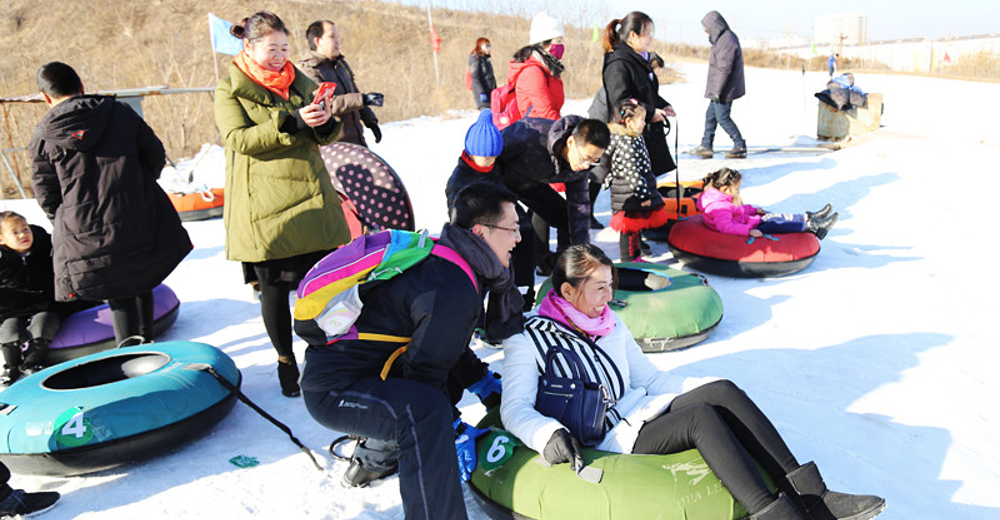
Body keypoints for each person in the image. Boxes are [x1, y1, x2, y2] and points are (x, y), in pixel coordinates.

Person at [501, 244, 886, 520]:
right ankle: (772, 514)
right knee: (701, 417)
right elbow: (515, 408)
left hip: (639, 408)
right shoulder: (529, 337)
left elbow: (648, 378)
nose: (610, 294)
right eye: (599, 287)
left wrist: (705, 384)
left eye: (610, 283)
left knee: (722, 392)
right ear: (567, 290)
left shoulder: (609, 322)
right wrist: (548, 434)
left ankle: (813, 497)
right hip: (609, 434)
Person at [301, 182, 524, 520]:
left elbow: (439, 344)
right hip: (336, 389)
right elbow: (423, 374)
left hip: (368, 375)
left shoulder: (449, 257)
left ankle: (376, 459)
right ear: (481, 231)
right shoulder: (453, 286)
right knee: (427, 414)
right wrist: (454, 429)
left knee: (428, 402)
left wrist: (480, 381)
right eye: (513, 228)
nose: (519, 238)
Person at [215, 12, 352, 397]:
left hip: (310, 195)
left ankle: (328, 356)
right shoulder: (230, 88)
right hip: (266, 205)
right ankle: (285, 360)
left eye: (284, 48)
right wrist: (291, 122)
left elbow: (322, 132)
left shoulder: (297, 79)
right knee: (274, 290)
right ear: (249, 46)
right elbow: (238, 139)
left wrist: (324, 120)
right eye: (271, 48)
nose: (279, 56)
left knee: (326, 284)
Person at [29, 62, 191, 347]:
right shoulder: (119, 113)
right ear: (81, 87)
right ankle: (145, 346)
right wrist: (137, 189)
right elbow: (154, 154)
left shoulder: (44, 136)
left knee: (118, 293)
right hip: (135, 213)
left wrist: (68, 219)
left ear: (45, 97)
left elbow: (46, 192)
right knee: (140, 278)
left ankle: (130, 355)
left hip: (86, 229)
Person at [495, 116, 610, 273]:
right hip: (498, 181)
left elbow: (579, 211)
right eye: (585, 158)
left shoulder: (581, 169)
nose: (586, 165)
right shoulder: (531, 134)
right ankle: (513, 282)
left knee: (566, 219)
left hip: (530, 184)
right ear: (570, 142)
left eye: (594, 161)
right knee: (521, 228)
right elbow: (490, 157)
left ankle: (561, 268)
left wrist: (582, 254)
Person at [445, 110, 535, 310]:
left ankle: (524, 299)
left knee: (526, 234)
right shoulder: (459, 180)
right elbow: (457, 216)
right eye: (484, 157)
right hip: (478, 233)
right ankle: (476, 315)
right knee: (483, 268)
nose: (488, 161)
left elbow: (504, 195)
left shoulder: (494, 169)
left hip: (500, 224)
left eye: (493, 157)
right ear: (470, 151)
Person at [601, 12, 676, 176]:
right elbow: (620, 101)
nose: (650, 38)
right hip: (628, 134)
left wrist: (662, 105)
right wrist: (650, 113)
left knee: (648, 181)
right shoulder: (618, 63)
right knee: (634, 183)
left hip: (644, 129)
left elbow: (645, 91)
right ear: (633, 35)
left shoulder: (638, 59)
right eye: (647, 33)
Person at [299, 20, 384, 147]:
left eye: (338, 37)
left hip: (357, 139)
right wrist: (364, 99)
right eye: (332, 37)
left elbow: (355, 94)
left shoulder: (340, 65)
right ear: (318, 41)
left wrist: (370, 120)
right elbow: (326, 104)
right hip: (334, 145)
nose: (337, 41)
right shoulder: (309, 70)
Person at [603, 100, 669, 262]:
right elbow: (632, 172)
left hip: (631, 190)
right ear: (629, 122)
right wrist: (643, 195)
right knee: (628, 229)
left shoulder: (633, 137)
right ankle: (628, 260)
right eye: (642, 120)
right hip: (629, 192)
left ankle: (635, 256)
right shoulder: (626, 142)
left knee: (635, 227)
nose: (644, 123)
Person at [0, 211, 59, 385]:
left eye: (25, 229)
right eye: (15, 232)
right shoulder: (3, 261)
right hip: (13, 307)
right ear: (2, 239)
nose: (23, 235)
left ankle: (32, 362)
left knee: (44, 323)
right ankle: (11, 365)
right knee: (10, 329)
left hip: (44, 303)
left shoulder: (46, 248)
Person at [699, 168, 838, 240]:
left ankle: (808, 218)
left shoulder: (722, 199)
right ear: (725, 189)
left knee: (772, 216)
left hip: (748, 221)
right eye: (737, 188)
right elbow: (726, 227)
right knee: (774, 224)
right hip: (747, 226)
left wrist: (753, 210)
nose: (739, 191)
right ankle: (814, 228)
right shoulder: (719, 208)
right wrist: (748, 231)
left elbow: (738, 210)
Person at [690, 11, 747, 160]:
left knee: (722, 117)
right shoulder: (722, 39)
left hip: (724, 90)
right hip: (720, 89)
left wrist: (717, 91)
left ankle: (739, 144)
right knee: (710, 116)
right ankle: (706, 145)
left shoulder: (727, 40)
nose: (706, 33)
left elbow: (724, 69)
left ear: (715, 26)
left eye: (707, 29)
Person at [505, 12, 566, 122]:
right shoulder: (533, 72)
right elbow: (545, 111)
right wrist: (564, 131)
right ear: (543, 43)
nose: (561, 46)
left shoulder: (547, 69)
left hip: (545, 128)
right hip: (535, 132)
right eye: (558, 41)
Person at [469, 37, 497, 109]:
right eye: (486, 46)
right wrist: (481, 92)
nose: (488, 48)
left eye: (489, 46)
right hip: (483, 94)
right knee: (486, 115)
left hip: (490, 93)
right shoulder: (475, 59)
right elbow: (475, 77)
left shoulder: (486, 59)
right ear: (480, 46)